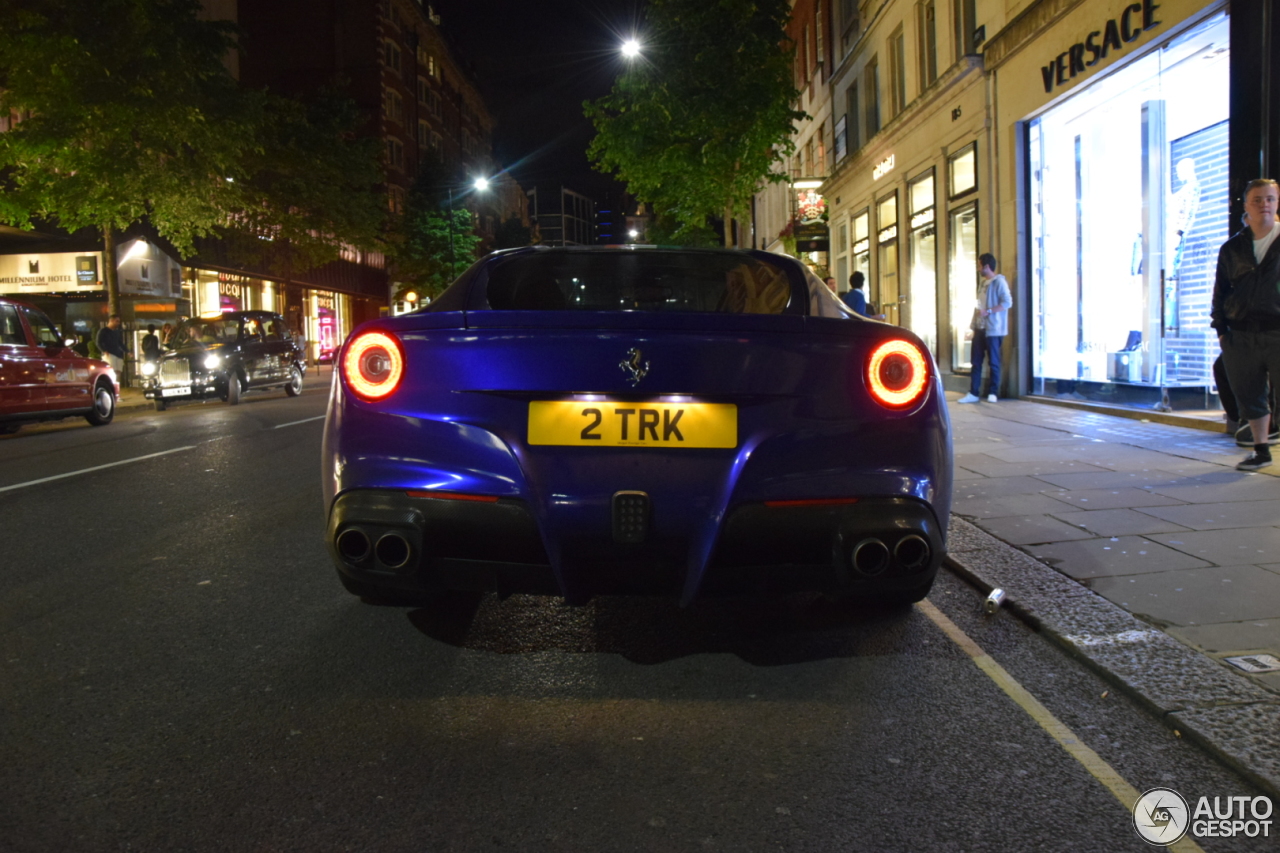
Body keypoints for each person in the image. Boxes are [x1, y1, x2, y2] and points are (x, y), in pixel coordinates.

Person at [1211, 178, 1280, 470]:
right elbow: (1220, 291)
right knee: (1250, 395)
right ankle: (1260, 450)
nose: (1264, 204)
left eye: (1269, 199)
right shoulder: (1232, 248)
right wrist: (1222, 331)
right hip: (1240, 334)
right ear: (1246, 205)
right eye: (1257, 199)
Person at [958, 253, 1013, 404]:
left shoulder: (999, 282)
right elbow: (978, 306)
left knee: (994, 362)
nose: (978, 268)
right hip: (980, 328)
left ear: (987, 267)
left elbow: (1007, 302)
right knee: (975, 361)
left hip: (994, 330)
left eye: (979, 265)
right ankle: (973, 393)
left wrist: (988, 312)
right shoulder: (982, 284)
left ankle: (993, 392)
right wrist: (974, 324)